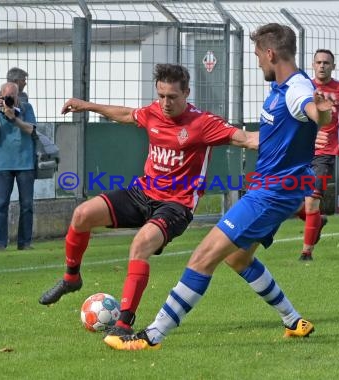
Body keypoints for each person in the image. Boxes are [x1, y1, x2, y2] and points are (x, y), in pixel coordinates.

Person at [104, 23, 334, 351]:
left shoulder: (296, 89)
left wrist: (321, 115)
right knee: (237, 259)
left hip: (272, 193)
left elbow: (312, 111)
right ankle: (294, 321)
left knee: (202, 258)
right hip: (277, 190)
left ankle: (152, 336)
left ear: (270, 54)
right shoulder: (284, 87)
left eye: (258, 55)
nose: (257, 62)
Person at [38, 64, 259, 337]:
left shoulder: (203, 124)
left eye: (173, 97)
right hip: (142, 193)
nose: (166, 103)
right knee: (82, 214)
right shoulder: (153, 112)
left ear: (187, 93)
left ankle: (123, 325)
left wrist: (290, 140)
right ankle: (71, 278)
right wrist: (87, 105)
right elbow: (127, 115)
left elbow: (248, 139)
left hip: (176, 206)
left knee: (140, 244)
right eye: (162, 95)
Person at [296, 49, 339, 261]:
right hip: (301, 151)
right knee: (289, 201)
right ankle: (318, 221)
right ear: (313, 64)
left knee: (311, 202)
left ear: (333, 66)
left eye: (326, 62)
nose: (322, 66)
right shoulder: (303, 87)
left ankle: (306, 252)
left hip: (325, 153)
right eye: (318, 62)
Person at [0, 82, 37, 250]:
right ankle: (0, 243)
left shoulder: (26, 108)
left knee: (27, 205)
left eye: (13, 96)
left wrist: (15, 119)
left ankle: (25, 243)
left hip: (25, 163)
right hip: (4, 164)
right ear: (1, 95)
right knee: (0, 205)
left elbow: (31, 129)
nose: (10, 99)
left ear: (17, 95)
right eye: (7, 96)